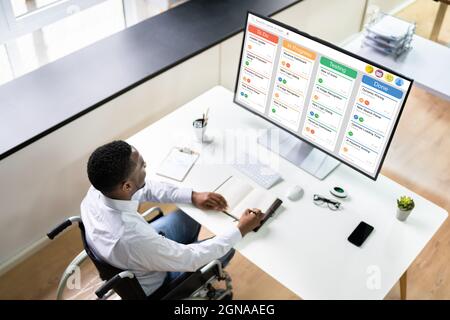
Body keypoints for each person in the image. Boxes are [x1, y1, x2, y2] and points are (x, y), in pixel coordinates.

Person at [80, 140, 264, 296]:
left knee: (192, 215)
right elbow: (191, 258)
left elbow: (146, 188)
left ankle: (178, 244)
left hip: (139, 251)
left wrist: (192, 196)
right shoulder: (131, 239)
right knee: (227, 248)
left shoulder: (97, 191)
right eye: (142, 165)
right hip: (158, 277)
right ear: (127, 186)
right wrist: (241, 229)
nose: (146, 166)